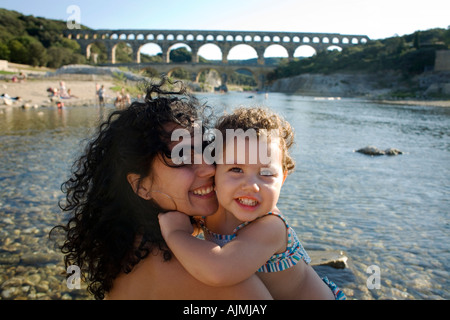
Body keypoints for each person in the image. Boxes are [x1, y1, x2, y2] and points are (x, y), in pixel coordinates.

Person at [50, 78, 272, 300]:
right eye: (183, 157)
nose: (210, 169)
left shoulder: (121, 256)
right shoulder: (213, 276)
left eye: (208, 151)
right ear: (141, 186)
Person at [159, 107, 346, 300]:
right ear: (215, 172)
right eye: (236, 169)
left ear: (282, 179)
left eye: (266, 173)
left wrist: (175, 233)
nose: (251, 186)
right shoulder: (208, 211)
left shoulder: (270, 227)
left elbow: (219, 270)